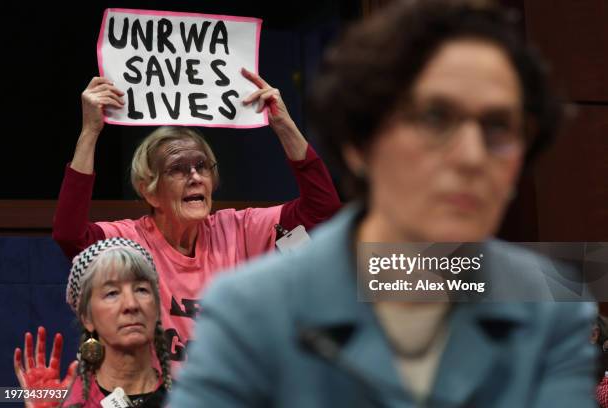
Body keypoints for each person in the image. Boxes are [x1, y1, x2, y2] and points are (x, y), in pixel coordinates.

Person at [168, 0, 596, 406]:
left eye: (499, 126)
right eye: (435, 119)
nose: (471, 156)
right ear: (359, 143)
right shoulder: (248, 311)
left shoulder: (550, 310)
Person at [52, 68, 341, 368]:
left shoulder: (237, 229)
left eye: (202, 166)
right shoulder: (130, 242)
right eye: (178, 168)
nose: (195, 177)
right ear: (149, 191)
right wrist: (90, 132)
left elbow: (322, 211)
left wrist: (284, 125)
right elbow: (70, 236)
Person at [67, 238, 170, 407]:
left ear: (157, 308)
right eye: (112, 293)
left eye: (141, 290)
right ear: (87, 318)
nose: (131, 304)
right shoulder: (71, 401)